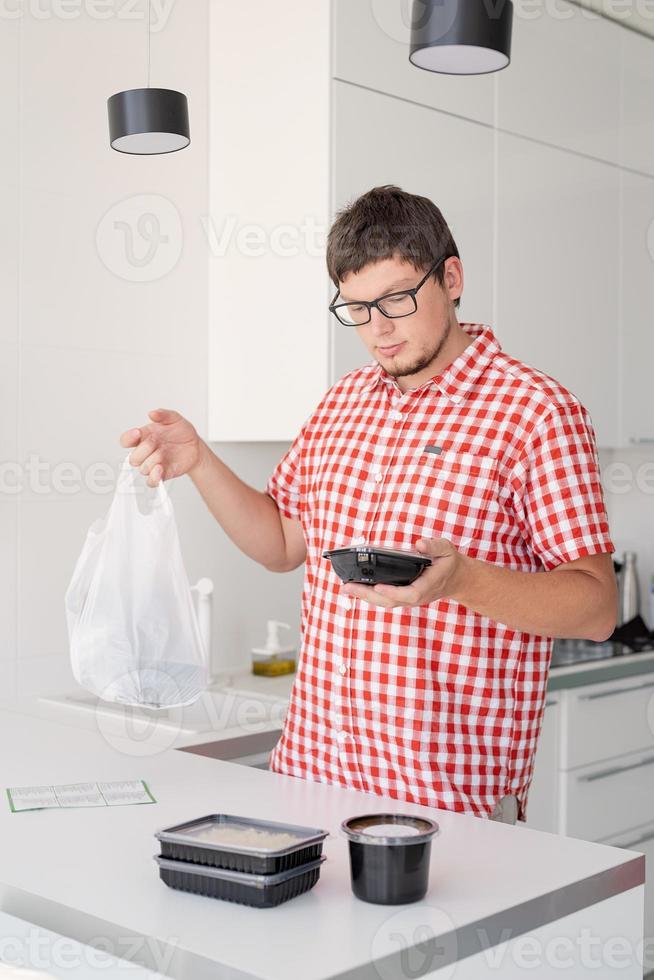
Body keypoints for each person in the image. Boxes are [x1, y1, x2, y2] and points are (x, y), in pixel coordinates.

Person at [121, 185, 617, 824]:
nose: (378, 329)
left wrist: (462, 581)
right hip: (308, 782)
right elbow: (282, 543)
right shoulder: (341, 404)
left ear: (453, 278)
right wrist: (199, 462)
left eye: (397, 299)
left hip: (445, 806)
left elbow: (597, 609)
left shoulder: (537, 414)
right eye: (356, 308)